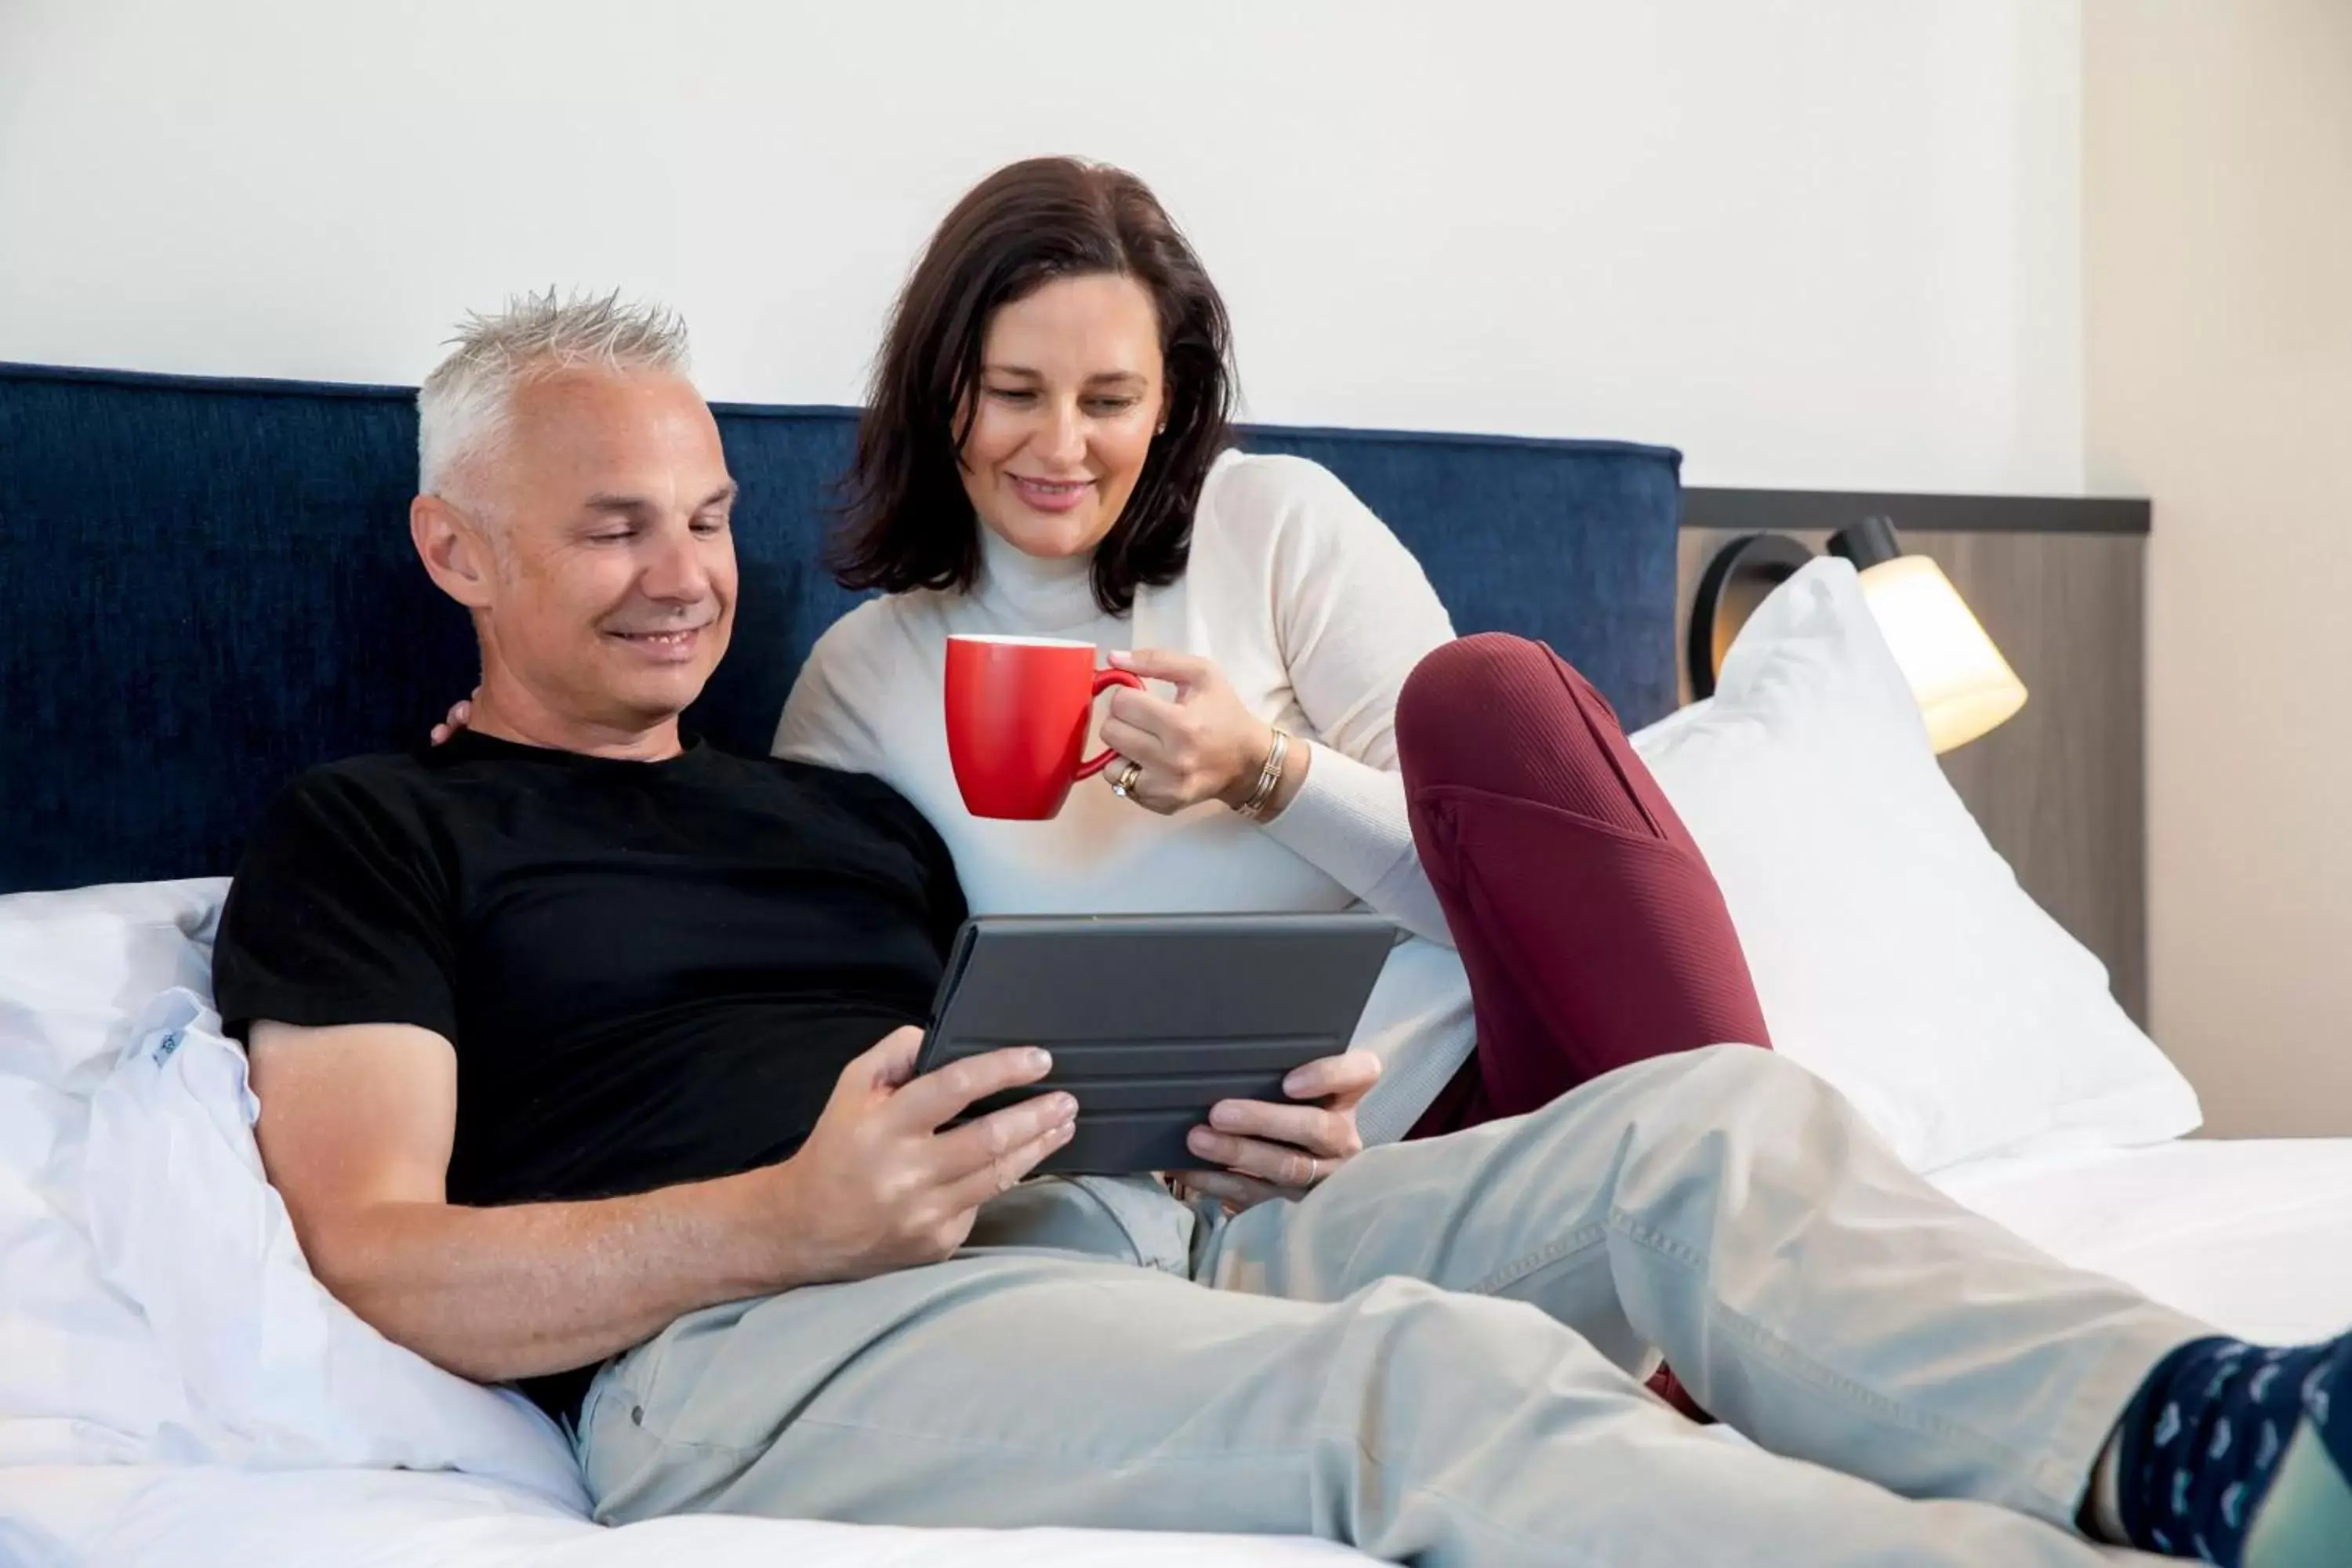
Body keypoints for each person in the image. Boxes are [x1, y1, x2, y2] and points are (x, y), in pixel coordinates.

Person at [220, 290, 2351, 1568]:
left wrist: (1211, 1124)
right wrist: (791, 1215)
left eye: (701, 520)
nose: (684, 575)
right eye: (612, 528)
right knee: (1427, 1384)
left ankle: (2209, 1439)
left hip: (1139, 1236)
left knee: (1710, 1119)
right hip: (756, 1351)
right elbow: (380, 1250)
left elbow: (991, 1072)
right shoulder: (373, 831)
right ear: (453, 543)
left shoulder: (831, 817)